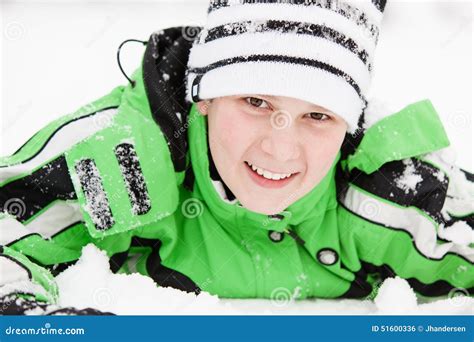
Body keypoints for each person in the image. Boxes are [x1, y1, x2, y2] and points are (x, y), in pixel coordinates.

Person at [0, 0, 472, 314]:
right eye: (256, 102)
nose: (280, 148)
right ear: (203, 95)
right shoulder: (123, 163)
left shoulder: (390, 193)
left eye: (318, 116)